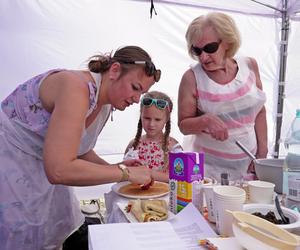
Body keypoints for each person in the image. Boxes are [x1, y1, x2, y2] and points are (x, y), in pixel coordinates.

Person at [0, 45, 161, 250]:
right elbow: (59, 170)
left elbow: (79, 149)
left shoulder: (104, 102)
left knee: (56, 231)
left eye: (143, 92)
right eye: (135, 88)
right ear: (114, 71)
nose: (137, 99)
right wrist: (125, 173)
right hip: (10, 164)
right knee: (20, 237)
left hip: (41, 170)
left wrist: (116, 166)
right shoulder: (75, 88)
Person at [178, 12, 267, 182]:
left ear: (227, 41)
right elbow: (183, 125)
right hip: (207, 174)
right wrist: (205, 121)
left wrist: (262, 155)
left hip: (248, 168)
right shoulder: (192, 78)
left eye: (210, 48)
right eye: (197, 50)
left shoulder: (249, 66)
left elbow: (260, 111)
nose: (203, 57)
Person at [124, 91, 182, 183]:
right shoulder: (133, 145)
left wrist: (148, 173)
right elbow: (124, 174)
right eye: (147, 118)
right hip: (136, 196)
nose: (151, 124)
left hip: (165, 196)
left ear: (166, 119)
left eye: (157, 119)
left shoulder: (173, 147)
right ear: (141, 115)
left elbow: (180, 177)